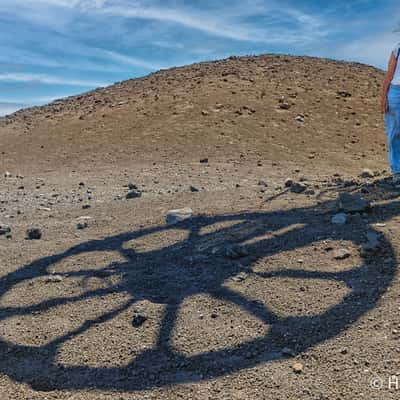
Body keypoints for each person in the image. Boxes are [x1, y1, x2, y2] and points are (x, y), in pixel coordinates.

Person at [382, 42, 400, 184]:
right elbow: (390, 73)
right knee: (394, 133)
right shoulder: (397, 47)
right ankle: (397, 171)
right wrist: (384, 97)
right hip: (395, 92)